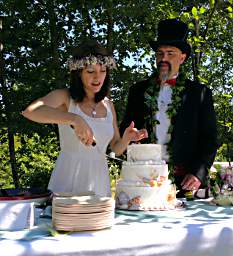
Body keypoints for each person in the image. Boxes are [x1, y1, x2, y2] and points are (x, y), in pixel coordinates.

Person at [22, 39, 147, 197]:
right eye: (90, 71)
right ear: (78, 73)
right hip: (68, 178)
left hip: (99, 181)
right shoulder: (65, 97)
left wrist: (126, 139)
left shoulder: (109, 106)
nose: (97, 77)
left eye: (102, 71)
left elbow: (116, 148)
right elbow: (30, 111)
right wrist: (74, 119)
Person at [120, 19, 218, 197]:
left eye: (170, 53)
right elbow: (124, 130)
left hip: (187, 184)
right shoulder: (137, 91)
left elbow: (209, 140)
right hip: (144, 181)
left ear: (182, 57)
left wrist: (198, 173)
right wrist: (131, 138)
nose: (163, 59)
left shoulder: (200, 93)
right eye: (159, 53)